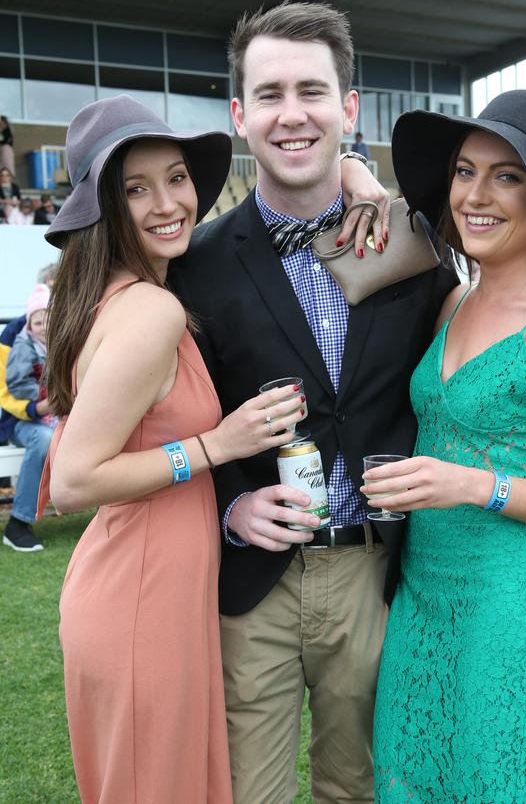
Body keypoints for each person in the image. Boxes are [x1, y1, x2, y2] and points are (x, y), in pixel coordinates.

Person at [169, 0, 459, 804]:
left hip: (376, 571)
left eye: (311, 91)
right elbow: (178, 415)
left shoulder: (415, 243)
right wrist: (231, 504)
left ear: (349, 108)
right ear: (239, 115)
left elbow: (459, 365)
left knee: (357, 789)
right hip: (249, 581)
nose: (291, 115)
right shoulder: (192, 265)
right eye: (269, 95)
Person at [39, 94, 310, 804]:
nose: (167, 203)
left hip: (155, 591)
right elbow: (70, 481)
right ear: (104, 208)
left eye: (177, 177)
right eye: (136, 188)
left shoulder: (117, 295)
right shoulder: (149, 310)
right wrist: (215, 445)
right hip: (141, 602)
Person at [365, 90, 526, 803]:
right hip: (420, 596)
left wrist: (476, 485)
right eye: (465, 171)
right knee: (407, 781)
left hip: (510, 604)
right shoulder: (455, 299)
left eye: (507, 176)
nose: (476, 195)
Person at [2, 284, 54, 551]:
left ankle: (112, 507)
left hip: (56, 412)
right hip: (20, 420)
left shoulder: (60, 334)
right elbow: (6, 390)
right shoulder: (13, 340)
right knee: (44, 437)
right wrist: (37, 407)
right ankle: (18, 524)